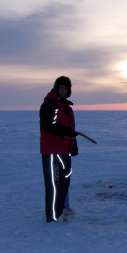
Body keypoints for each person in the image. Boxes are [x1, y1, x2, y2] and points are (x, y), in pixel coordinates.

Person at [39, 76, 78, 222]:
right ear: (56, 88)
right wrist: (67, 133)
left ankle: (60, 210)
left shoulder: (65, 105)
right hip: (52, 151)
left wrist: (73, 145)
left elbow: (70, 129)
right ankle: (53, 216)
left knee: (65, 181)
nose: (63, 90)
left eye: (65, 88)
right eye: (60, 87)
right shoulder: (50, 103)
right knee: (54, 184)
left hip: (64, 151)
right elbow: (48, 126)